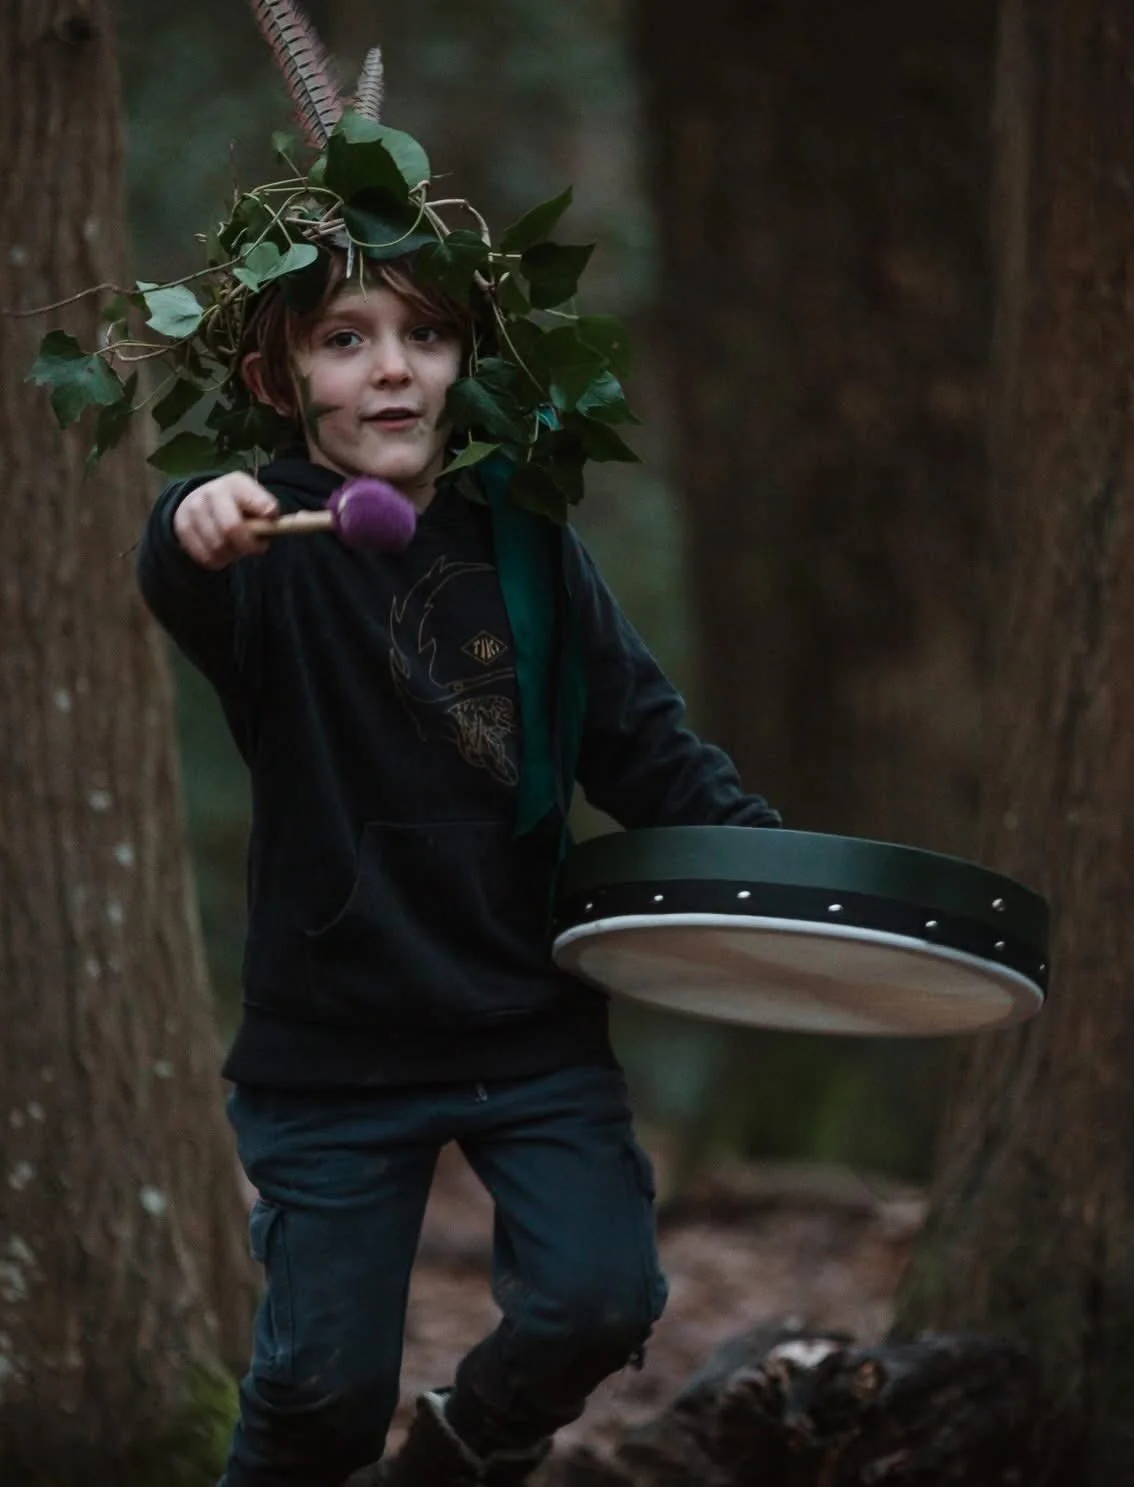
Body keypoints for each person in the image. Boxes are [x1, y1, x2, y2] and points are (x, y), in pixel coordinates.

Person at [136, 247, 778, 1486]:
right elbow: (179, 560)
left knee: (597, 1298)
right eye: (343, 340)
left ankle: (454, 1454)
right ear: (275, 379)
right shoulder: (265, 543)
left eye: (423, 337)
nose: (389, 368)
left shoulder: (529, 554)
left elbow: (645, 749)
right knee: (321, 1391)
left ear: (463, 366)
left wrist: (773, 878)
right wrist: (191, 517)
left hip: (523, 1023)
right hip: (333, 1048)